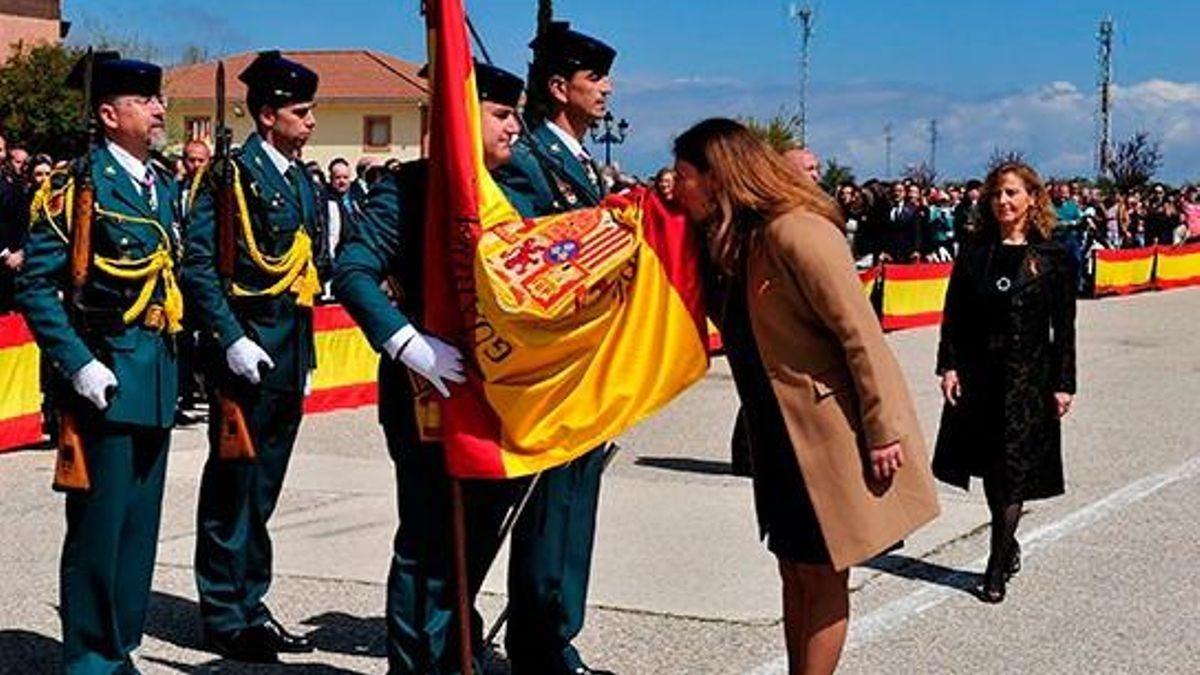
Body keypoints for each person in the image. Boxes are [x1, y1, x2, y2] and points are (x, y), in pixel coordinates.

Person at [672, 118, 939, 675]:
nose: (675, 187)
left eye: (683, 175)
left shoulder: (797, 231)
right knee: (791, 568)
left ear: (716, 176)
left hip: (826, 433)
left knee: (821, 572)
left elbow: (860, 335)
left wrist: (882, 427)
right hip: (774, 433)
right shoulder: (730, 243)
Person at [334, 60, 526, 675]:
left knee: (477, 536)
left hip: (499, 396)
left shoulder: (516, 190)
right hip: (427, 387)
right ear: (463, 117)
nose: (515, 128)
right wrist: (407, 342)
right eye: (501, 114)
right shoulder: (412, 189)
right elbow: (352, 271)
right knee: (428, 540)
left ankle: (455, 649)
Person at [16, 51, 182, 673]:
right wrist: (80, 365)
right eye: (145, 101)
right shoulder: (77, 185)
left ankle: (121, 647)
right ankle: (89, 658)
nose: (159, 109)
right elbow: (37, 287)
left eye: (158, 99)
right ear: (110, 115)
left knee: (139, 532)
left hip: (156, 375)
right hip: (106, 376)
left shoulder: (161, 185)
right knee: (99, 530)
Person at [181, 50, 323, 663]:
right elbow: (199, 265)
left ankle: (251, 604)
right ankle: (223, 614)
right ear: (267, 115)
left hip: (288, 354)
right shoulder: (229, 176)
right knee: (231, 489)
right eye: (301, 111)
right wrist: (231, 338)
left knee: (262, 491)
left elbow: (308, 268)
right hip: (246, 352)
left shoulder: (300, 179)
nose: (310, 121)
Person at [492, 20, 617, 675]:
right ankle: (540, 641)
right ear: (560, 87)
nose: (607, 90)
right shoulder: (531, 159)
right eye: (595, 78)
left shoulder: (582, 162)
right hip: (554, 365)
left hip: (589, 360)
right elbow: (525, 254)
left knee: (577, 500)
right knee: (551, 505)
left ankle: (559, 630)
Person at [932, 161, 1077, 603]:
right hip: (980, 376)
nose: (1003, 201)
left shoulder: (1053, 257)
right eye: (996, 194)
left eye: (1012, 193)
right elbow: (954, 315)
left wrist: (1064, 383)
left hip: (1028, 380)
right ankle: (1006, 541)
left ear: (1032, 198)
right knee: (991, 467)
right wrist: (949, 366)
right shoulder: (975, 252)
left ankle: (995, 564)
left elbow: (1063, 327)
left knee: (1012, 470)